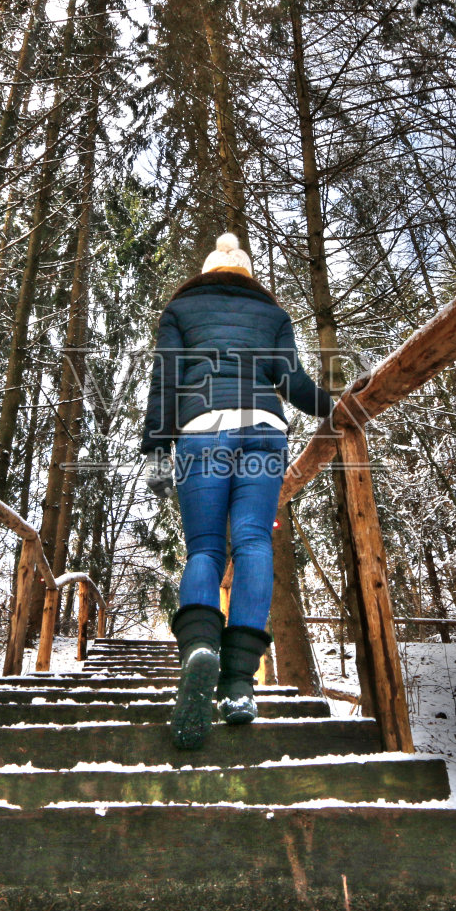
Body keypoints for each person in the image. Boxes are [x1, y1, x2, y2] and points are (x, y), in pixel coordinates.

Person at [140, 232, 334, 749]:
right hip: (264, 430)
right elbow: (292, 381)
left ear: (206, 271)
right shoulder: (271, 314)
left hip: (202, 430)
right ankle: (240, 682)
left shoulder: (182, 307)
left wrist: (158, 448)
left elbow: (166, 378)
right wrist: (337, 406)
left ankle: (200, 647)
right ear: (247, 275)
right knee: (252, 542)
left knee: (205, 547)